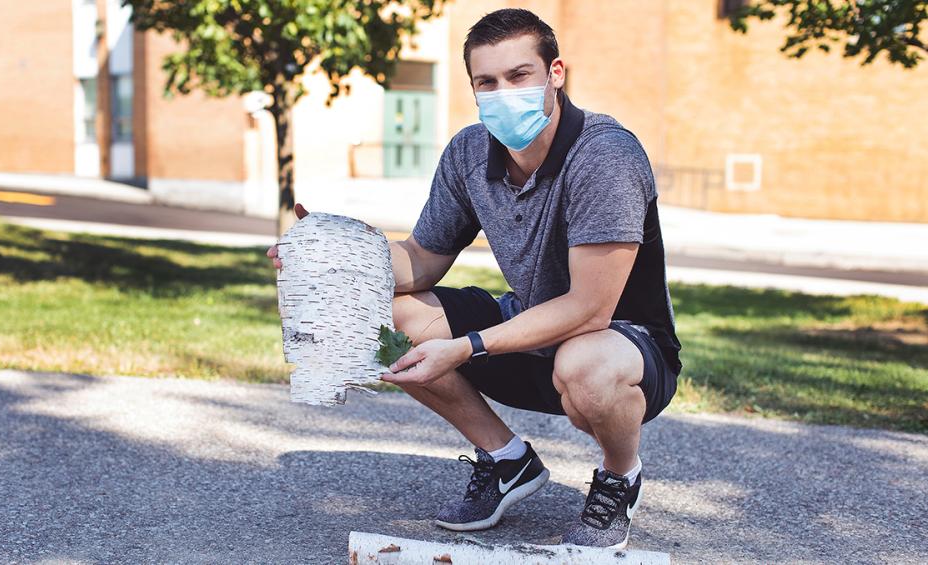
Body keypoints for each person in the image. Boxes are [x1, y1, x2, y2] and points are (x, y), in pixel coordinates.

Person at [267, 8, 681, 550]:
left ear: (555, 73)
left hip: (620, 346)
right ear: (472, 88)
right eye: (487, 82)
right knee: (389, 311)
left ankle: (619, 477)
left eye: (519, 75)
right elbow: (422, 258)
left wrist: (465, 348)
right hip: (528, 333)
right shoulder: (468, 152)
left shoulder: (605, 155)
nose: (503, 92)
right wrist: (335, 256)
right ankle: (508, 461)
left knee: (586, 364)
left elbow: (590, 308)